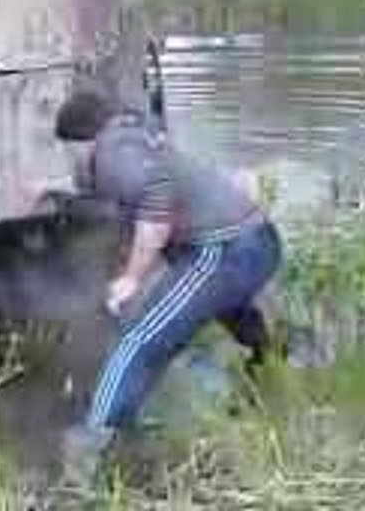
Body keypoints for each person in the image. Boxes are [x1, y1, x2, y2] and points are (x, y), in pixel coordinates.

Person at [46, 87, 285, 485]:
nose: (70, 162)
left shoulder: (112, 152)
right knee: (221, 314)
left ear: (81, 141)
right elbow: (125, 183)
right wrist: (49, 187)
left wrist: (130, 279)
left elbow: (156, 193)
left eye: (68, 152)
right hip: (252, 242)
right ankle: (277, 372)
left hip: (223, 250)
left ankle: (90, 454)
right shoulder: (132, 136)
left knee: (137, 338)